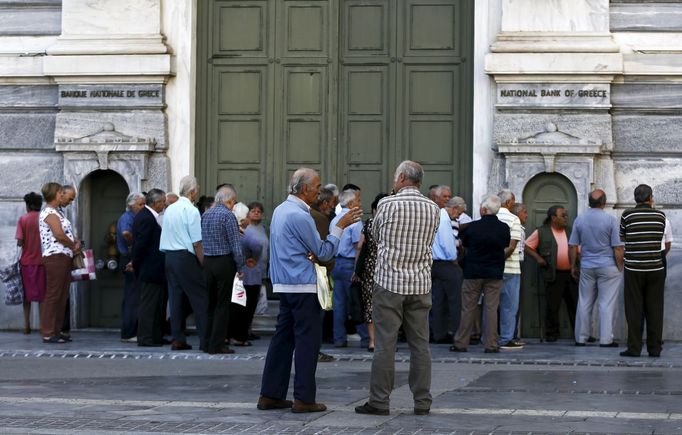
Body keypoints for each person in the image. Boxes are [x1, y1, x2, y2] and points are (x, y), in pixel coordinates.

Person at [258, 168, 361, 413]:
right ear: (304, 190)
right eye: (316, 187)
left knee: (282, 340)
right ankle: (304, 398)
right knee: (307, 343)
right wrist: (340, 227)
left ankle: (270, 394)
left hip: (285, 284)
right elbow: (324, 252)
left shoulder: (282, 210)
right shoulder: (300, 216)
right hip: (303, 285)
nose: (318, 190)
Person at [355, 161, 439, 417]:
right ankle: (422, 402)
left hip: (389, 282)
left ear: (402, 177)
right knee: (420, 345)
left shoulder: (387, 204)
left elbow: (377, 236)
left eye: (395, 177)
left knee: (385, 345)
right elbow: (431, 238)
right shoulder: (433, 208)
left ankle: (379, 401)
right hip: (421, 283)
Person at [451, 195, 510, 354]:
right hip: (494, 272)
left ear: (484, 209)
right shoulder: (503, 228)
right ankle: (491, 344)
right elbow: (505, 244)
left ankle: (461, 343)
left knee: (468, 308)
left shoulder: (473, 227)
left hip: (473, 272)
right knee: (491, 309)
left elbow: (466, 244)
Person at [569, 189, 624, 347]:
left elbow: (573, 245)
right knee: (606, 303)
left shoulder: (580, 220)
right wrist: (620, 266)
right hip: (608, 265)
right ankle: (606, 339)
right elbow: (618, 247)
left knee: (584, 301)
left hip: (587, 265)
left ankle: (581, 337)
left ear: (589, 202)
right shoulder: (610, 220)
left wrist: (573, 266)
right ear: (604, 202)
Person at [160, 176, 208, 351]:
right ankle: (205, 340)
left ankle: (177, 338)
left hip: (169, 257)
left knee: (175, 299)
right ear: (193, 191)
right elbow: (197, 242)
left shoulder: (170, 209)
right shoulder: (191, 210)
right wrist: (203, 263)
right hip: (184, 257)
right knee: (200, 298)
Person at [619, 184, 666, 358]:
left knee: (634, 309)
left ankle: (634, 348)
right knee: (655, 309)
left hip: (633, 268)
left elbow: (622, 237)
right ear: (650, 197)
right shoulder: (660, 215)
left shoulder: (627, 214)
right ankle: (654, 349)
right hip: (655, 267)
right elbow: (659, 236)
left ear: (635, 198)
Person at [201, 185, 245, 354]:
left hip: (208, 262)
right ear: (229, 200)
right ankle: (217, 344)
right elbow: (235, 244)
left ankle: (206, 342)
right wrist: (240, 265)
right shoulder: (228, 216)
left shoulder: (206, 214)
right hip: (223, 262)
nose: (234, 205)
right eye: (233, 202)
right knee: (222, 305)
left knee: (210, 304)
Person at [525, 205, 578, 342]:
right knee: (552, 306)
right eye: (563, 215)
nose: (566, 218)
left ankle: (578, 333)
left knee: (575, 304)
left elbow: (578, 249)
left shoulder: (570, 231)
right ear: (553, 218)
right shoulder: (542, 231)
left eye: (566, 215)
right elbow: (527, 246)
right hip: (553, 274)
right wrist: (538, 258)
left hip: (570, 274)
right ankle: (551, 333)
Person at [38, 182, 81, 344]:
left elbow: (65, 233)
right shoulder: (49, 212)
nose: (63, 195)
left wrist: (74, 242)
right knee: (53, 295)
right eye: (61, 192)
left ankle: (57, 330)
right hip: (55, 257)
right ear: (56, 193)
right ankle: (48, 332)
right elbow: (59, 235)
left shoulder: (58, 212)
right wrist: (73, 245)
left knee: (62, 295)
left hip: (63, 256)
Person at [330, 187, 368, 348]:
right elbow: (358, 246)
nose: (360, 203)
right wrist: (358, 269)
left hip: (336, 263)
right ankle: (367, 338)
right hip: (349, 263)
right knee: (356, 301)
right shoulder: (354, 220)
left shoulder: (335, 219)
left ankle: (338, 338)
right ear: (352, 203)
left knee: (339, 304)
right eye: (358, 201)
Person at [130, 189, 167, 347]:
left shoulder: (150, 216)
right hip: (149, 269)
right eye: (163, 201)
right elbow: (140, 246)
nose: (164, 204)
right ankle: (145, 337)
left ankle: (156, 335)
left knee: (157, 304)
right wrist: (136, 264)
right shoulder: (146, 217)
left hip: (155, 269)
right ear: (156, 202)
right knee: (148, 305)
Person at [355, 193, 389, 352]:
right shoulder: (392, 225)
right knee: (388, 305)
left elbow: (360, 246)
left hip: (370, 269)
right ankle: (386, 341)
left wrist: (356, 269)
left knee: (370, 304)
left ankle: (372, 341)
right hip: (388, 269)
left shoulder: (368, 224)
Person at [231, 201, 268, 346]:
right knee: (246, 307)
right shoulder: (244, 232)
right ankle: (240, 336)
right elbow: (256, 246)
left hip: (245, 273)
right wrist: (254, 258)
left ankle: (238, 334)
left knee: (240, 307)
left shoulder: (239, 231)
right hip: (249, 275)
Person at [430, 186, 462, 344]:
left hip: (433, 264)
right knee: (455, 301)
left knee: (438, 301)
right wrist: (454, 257)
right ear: (454, 209)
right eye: (458, 212)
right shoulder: (443, 219)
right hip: (446, 263)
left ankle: (439, 333)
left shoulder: (433, 215)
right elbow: (448, 244)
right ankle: (458, 334)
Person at [310, 186, 337, 361]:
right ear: (325, 202)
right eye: (333, 203)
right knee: (316, 315)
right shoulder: (320, 219)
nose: (334, 207)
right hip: (318, 271)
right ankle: (313, 351)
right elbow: (322, 250)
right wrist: (329, 263)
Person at [496, 190, 524, 350]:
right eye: (513, 202)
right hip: (511, 268)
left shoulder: (490, 217)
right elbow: (512, 247)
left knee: (491, 305)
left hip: (491, 269)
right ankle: (506, 339)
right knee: (509, 305)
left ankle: (489, 337)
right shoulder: (513, 219)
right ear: (509, 203)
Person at [15, 192, 46, 334]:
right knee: (42, 296)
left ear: (28, 205)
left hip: (26, 263)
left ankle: (26, 325)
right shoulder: (45, 219)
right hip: (43, 262)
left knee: (26, 296)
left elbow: (20, 242)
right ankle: (42, 326)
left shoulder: (23, 219)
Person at [117, 192, 146, 343]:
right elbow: (126, 233)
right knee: (132, 297)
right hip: (128, 258)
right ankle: (128, 333)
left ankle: (131, 330)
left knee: (133, 296)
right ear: (131, 205)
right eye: (140, 204)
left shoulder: (134, 217)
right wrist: (135, 245)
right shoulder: (127, 217)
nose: (143, 207)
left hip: (132, 257)